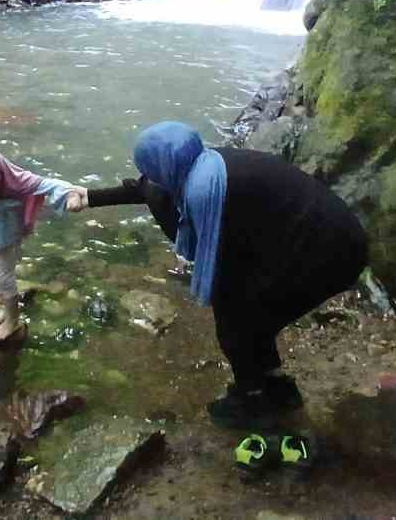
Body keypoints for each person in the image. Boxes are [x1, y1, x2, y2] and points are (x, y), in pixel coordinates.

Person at [85, 121, 368, 427]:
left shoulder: (209, 194)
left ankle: (254, 401)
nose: (149, 177)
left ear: (165, 168)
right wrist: (89, 197)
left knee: (238, 321)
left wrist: (225, 299)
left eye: (150, 169)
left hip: (330, 253)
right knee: (249, 316)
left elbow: (229, 267)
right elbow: (146, 188)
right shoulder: (203, 163)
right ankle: (273, 385)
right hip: (316, 235)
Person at [0, 149, 88, 344]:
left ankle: (13, 321)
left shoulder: (17, 183)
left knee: (4, 278)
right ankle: (5, 310)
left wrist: (70, 195)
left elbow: (50, 184)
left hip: (6, 240)